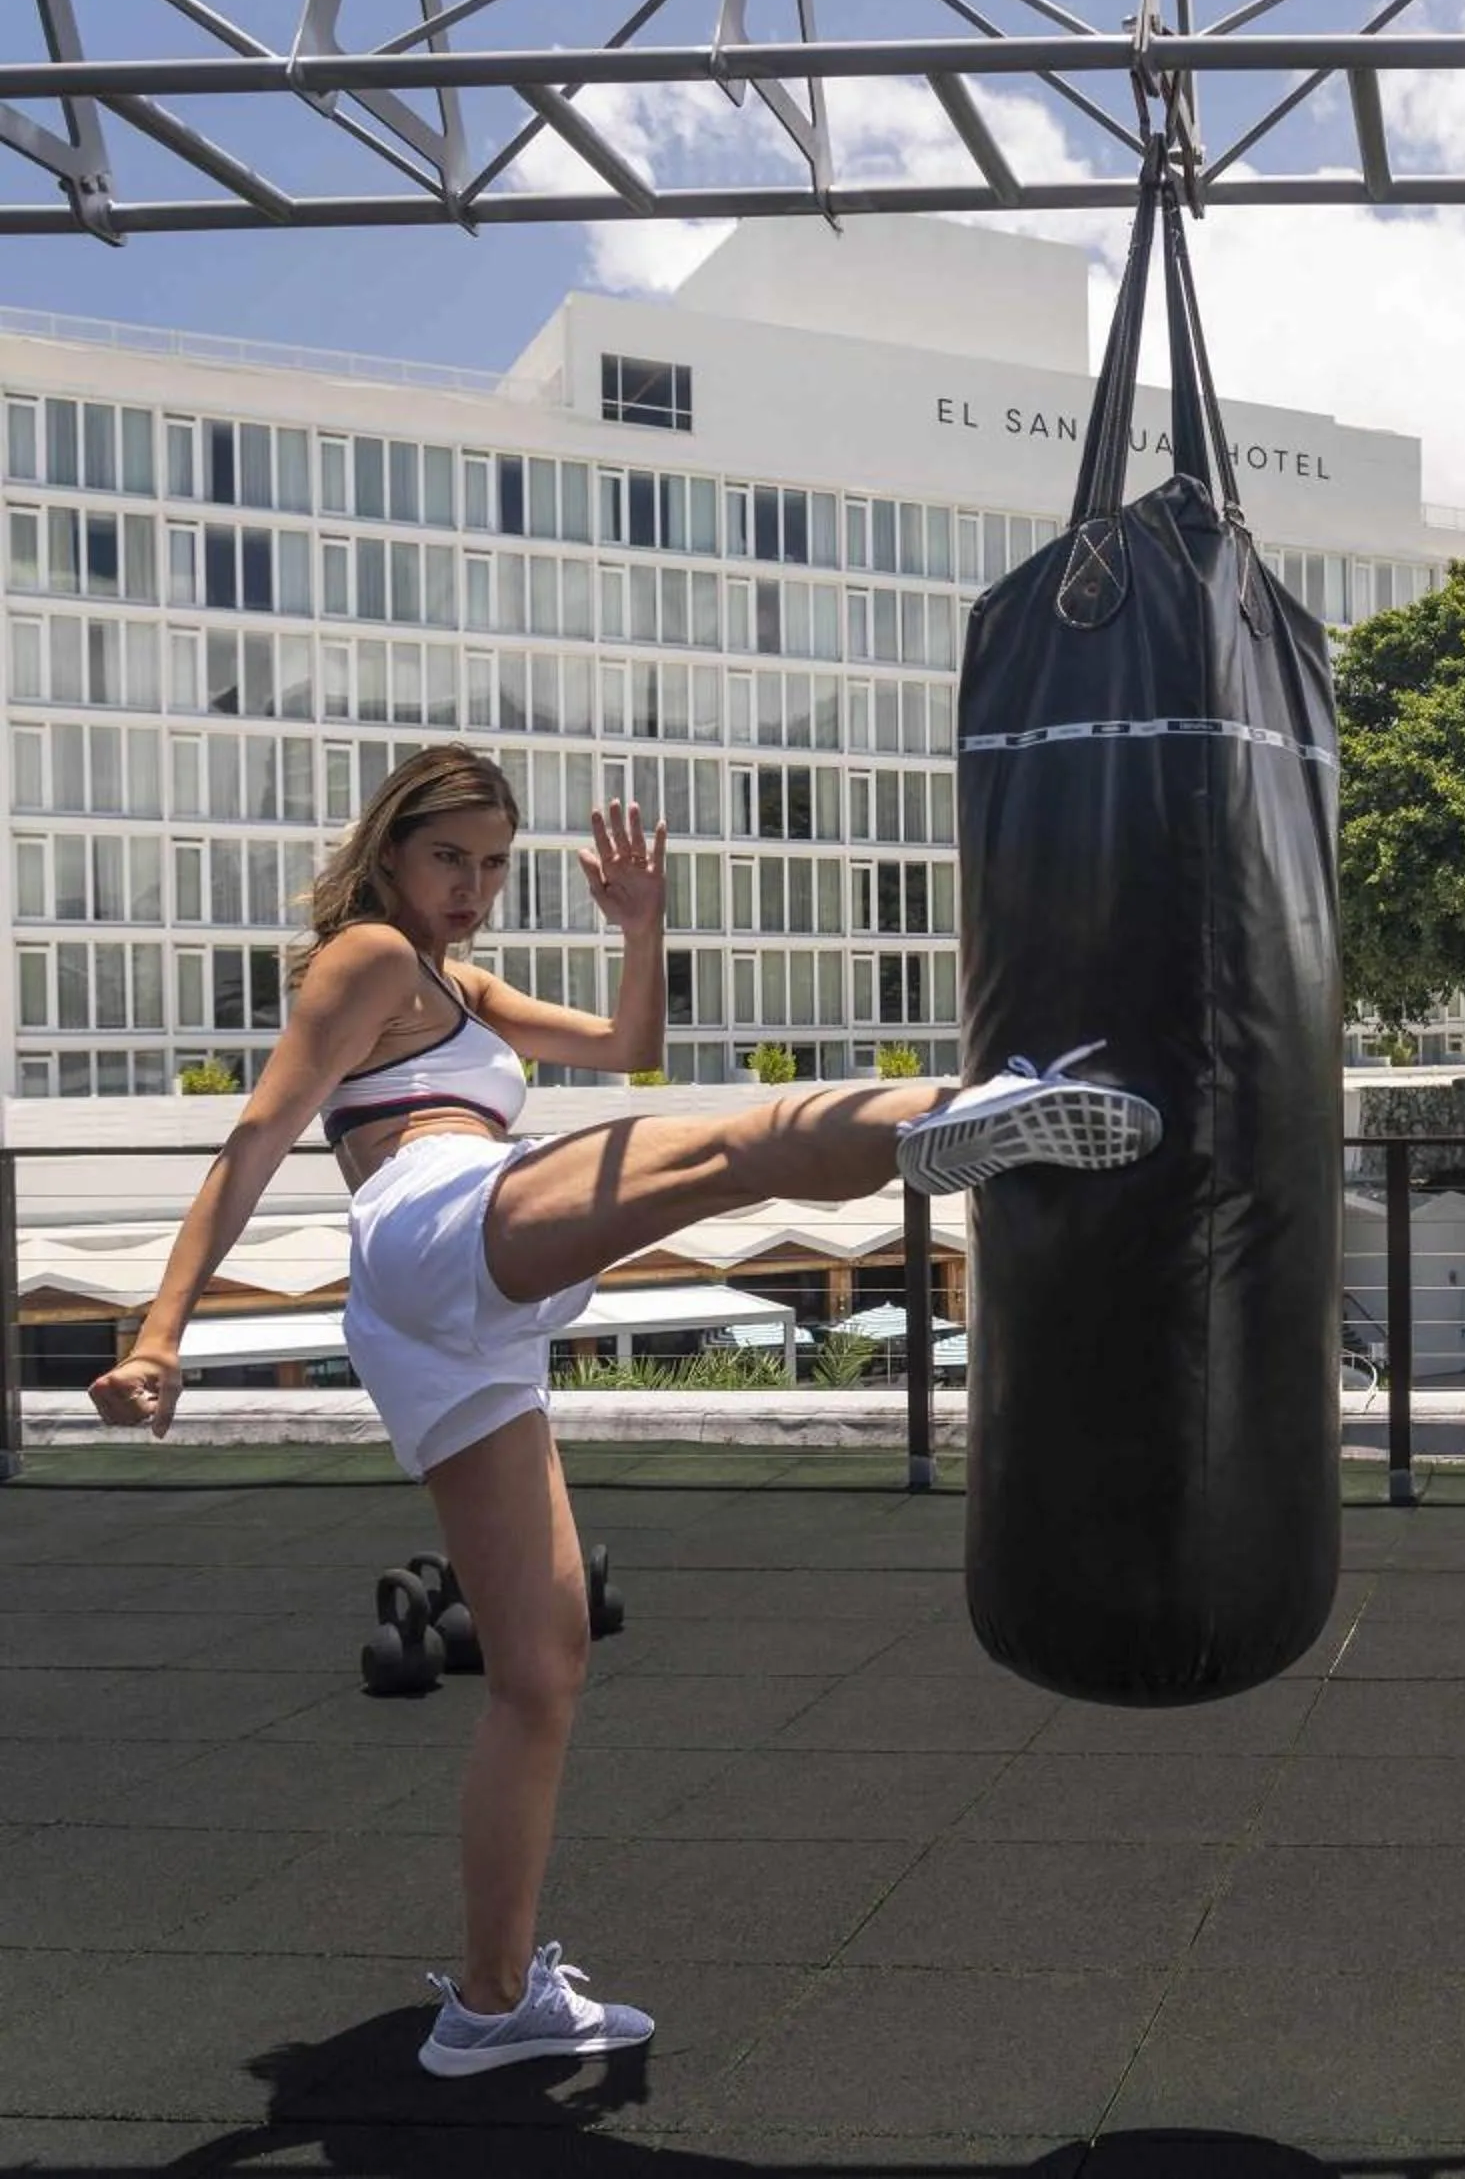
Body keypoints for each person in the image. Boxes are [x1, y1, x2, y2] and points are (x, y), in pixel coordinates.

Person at [86, 744, 1156, 2075]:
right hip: (434, 1220)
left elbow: (630, 1047)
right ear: (389, 849)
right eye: (448, 858)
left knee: (540, 1669)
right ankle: (973, 1108)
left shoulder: (454, 983)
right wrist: (161, 1331)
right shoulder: (364, 958)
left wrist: (639, 929)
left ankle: (488, 2001)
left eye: (492, 864)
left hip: (442, 1318)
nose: (471, 887)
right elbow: (257, 1134)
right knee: (730, 1148)